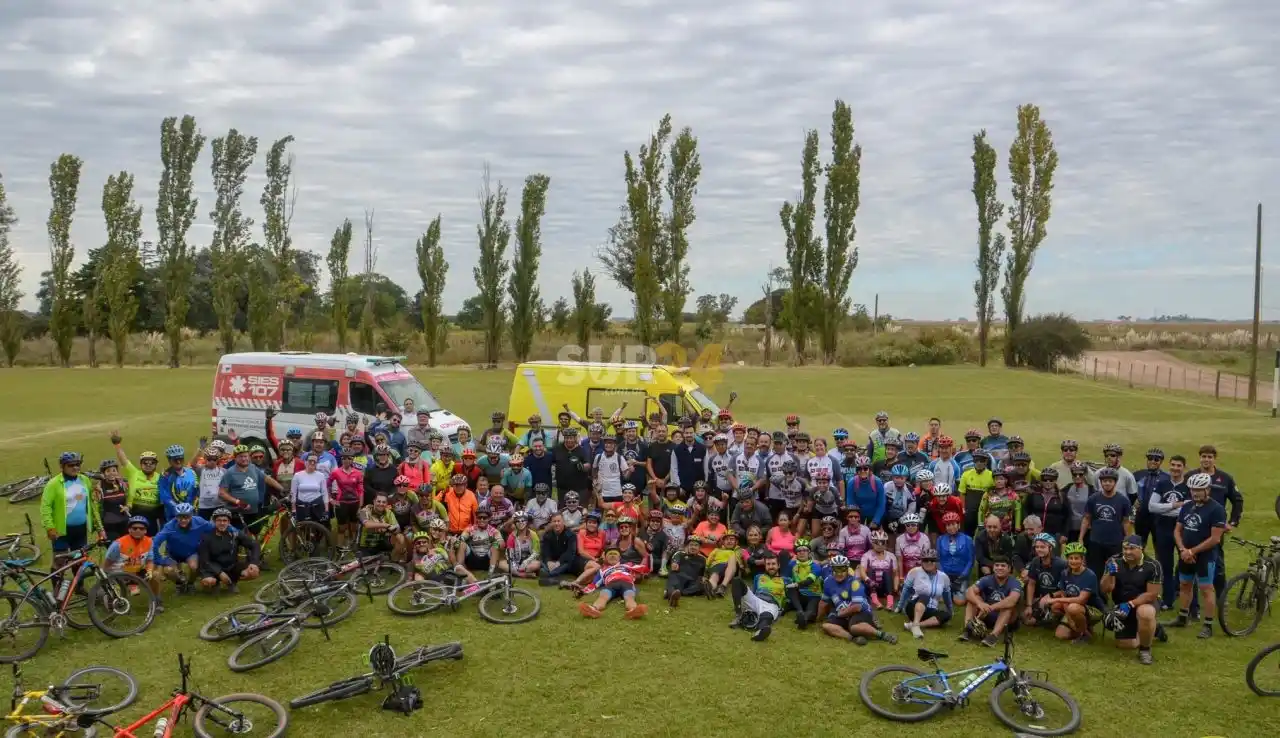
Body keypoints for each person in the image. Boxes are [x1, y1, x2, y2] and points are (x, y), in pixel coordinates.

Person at [1170, 472, 1226, 638]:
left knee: (1206, 589)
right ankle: (1182, 617)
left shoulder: (1217, 509)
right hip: (1185, 554)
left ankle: (1208, 625)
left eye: (1199, 490)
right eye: (1193, 489)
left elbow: (1215, 538)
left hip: (1205, 556)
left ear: (1208, 489)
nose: (1195, 493)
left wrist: (1192, 551)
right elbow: (1177, 530)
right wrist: (1182, 550)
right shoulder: (1187, 506)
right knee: (1185, 585)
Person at [1101, 535, 1162, 664]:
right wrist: (1109, 575)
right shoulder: (1113, 561)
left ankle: (1145, 650)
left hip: (1144, 603)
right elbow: (1105, 589)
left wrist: (1130, 604)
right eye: (1125, 548)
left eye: (1132, 549)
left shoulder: (1153, 565)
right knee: (1125, 645)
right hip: (1121, 605)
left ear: (1142, 549)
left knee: (1145, 613)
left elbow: (1151, 594)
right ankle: (1152, 629)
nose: (1128, 552)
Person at [819, 554, 897, 645]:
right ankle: (853, 638)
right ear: (831, 569)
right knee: (826, 626)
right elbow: (823, 602)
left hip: (859, 612)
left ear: (848, 569)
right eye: (836, 569)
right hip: (842, 613)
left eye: (842, 569)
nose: (839, 573)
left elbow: (857, 607)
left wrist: (840, 614)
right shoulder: (828, 581)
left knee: (854, 628)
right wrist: (817, 618)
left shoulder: (855, 582)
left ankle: (882, 635)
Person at [729, 550, 803, 640]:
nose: (771, 566)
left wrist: (791, 609)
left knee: (766, 616)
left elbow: (792, 597)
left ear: (778, 565)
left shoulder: (786, 580)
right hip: (756, 599)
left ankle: (760, 631)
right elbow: (754, 591)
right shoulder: (758, 577)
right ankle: (738, 615)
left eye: (773, 564)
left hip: (772, 605)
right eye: (768, 564)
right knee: (737, 580)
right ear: (765, 566)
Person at [41, 452, 104, 557]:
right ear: (62, 466)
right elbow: (45, 507)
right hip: (61, 532)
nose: (75, 468)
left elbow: (92, 506)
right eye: (70, 465)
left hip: (80, 530)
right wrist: (49, 527)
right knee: (60, 562)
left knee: (79, 561)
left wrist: (99, 528)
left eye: (77, 464)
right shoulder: (53, 484)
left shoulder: (85, 480)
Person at [1149, 454, 1189, 610]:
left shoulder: (1188, 486)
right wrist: (1175, 505)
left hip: (1183, 529)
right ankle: (1168, 600)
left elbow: (1187, 509)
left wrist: (1165, 508)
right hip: (1163, 528)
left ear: (1184, 468)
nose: (1175, 468)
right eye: (1173, 465)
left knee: (1186, 563)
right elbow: (1152, 507)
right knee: (1165, 565)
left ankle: (1191, 604)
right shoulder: (1162, 484)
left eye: (1179, 465)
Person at [1046, 542, 1104, 644]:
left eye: (1077, 558)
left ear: (1082, 559)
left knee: (1073, 607)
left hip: (1093, 609)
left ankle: (1084, 634)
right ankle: (1082, 628)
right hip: (1072, 608)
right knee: (1060, 632)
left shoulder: (1090, 575)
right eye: (1071, 558)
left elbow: (1081, 600)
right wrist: (1069, 617)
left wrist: (1056, 598)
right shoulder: (1065, 573)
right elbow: (1064, 594)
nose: (1073, 561)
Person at [1080, 467, 1133, 576]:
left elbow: (1126, 522)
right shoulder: (1093, 499)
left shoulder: (1123, 501)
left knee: (1116, 573)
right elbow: (1086, 518)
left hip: (1115, 542)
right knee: (1095, 572)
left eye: (1110, 481)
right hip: (1096, 542)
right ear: (1101, 482)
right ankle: (1096, 593)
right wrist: (1080, 538)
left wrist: (1128, 540)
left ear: (1115, 482)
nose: (1107, 484)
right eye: (1104, 481)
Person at [109, 432, 164, 534]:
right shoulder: (134, 473)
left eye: (152, 463)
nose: (148, 465)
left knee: (150, 542)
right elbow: (124, 460)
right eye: (145, 463)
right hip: (136, 514)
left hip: (153, 516)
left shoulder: (161, 478)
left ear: (156, 464)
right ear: (140, 464)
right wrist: (117, 445)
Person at [960, 556, 1021, 647]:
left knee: (1008, 607)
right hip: (986, 615)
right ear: (993, 568)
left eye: (1003, 566)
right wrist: (979, 603)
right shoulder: (987, 579)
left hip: (1006, 620)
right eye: (997, 565)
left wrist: (991, 607)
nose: (999, 568)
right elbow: (969, 591)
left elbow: (1012, 600)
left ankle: (993, 636)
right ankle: (968, 629)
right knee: (973, 599)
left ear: (1009, 569)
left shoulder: (1014, 582)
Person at [197, 507, 261, 593]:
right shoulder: (206, 537)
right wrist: (219, 573)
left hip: (231, 566)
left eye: (225, 520)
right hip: (212, 568)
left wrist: (254, 562)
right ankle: (215, 584)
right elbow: (204, 561)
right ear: (214, 521)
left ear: (229, 522)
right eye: (219, 520)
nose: (222, 523)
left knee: (253, 572)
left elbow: (255, 545)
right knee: (209, 581)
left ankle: (232, 582)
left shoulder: (235, 534)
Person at [103, 514, 162, 604]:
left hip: (136, 573)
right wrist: (107, 580)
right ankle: (106, 594)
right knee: (115, 605)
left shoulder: (149, 541)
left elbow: (150, 560)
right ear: (129, 530)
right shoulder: (118, 544)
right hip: (119, 575)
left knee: (156, 575)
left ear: (145, 531)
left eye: (141, 528)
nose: (138, 530)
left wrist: (149, 570)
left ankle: (156, 600)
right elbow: (107, 563)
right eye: (134, 528)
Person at [576, 547, 649, 619]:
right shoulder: (602, 570)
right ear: (606, 558)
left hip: (626, 582)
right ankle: (594, 609)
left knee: (629, 597)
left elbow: (644, 568)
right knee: (603, 596)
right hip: (611, 584)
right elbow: (594, 584)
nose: (612, 555)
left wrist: (643, 572)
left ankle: (633, 610)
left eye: (615, 554)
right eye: (610, 554)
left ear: (619, 557)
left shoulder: (628, 565)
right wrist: (583, 591)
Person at [900, 551, 952, 639]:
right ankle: (916, 626)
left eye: (932, 560)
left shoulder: (944, 577)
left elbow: (947, 595)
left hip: (930, 610)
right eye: (925, 560)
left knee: (946, 615)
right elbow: (906, 590)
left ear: (936, 562)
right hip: (914, 607)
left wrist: (950, 609)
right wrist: (899, 606)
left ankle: (915, 625)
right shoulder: (915, 571)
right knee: (925, 596)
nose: (929, 563)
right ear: (921, 561)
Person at [1023, 533, 1067, 627]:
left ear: (1050, 548)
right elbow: (1031, 584)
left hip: (1058, 598)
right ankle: (1045, 618)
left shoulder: (1061, 564)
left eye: (1042, 547)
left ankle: (1058, 618)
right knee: (1027, 620)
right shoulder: (1035, 561)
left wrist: (1050, 596)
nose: (1039, 549)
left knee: (1054, 610)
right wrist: (1029, 606)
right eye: (1037, 547)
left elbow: (1067, 588)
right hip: (1042, 598)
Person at [785, 538, 825, 628]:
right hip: (799, 595)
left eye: (805, 550)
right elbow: (786, 578)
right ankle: (800, 611)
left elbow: (809, 581)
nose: (802, 552)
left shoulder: (816, 566)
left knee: (812, 612)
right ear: (796, 553)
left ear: (809, 552)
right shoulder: (792, 564)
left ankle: (803, 619)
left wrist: (796, 584)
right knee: (790, 588)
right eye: (799, 550)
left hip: (813, 595)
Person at [936, 512, 974, 607]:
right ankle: (948, 589)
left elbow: (971, 560)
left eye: (953, 524)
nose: (951, 527)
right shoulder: (940, 539)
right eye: (948, 525)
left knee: (960, 602)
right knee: (941, 600)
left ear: (958, 525)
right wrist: (943, 574)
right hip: (946, 575)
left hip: (960, 575)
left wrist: (964, 574)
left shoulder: (967, 539)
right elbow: (938, 559)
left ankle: (956, 590)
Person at [157, 445, 197, 525]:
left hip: (191, 513)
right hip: (173, 516)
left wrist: (193, 506)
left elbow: (196, 491)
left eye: (181, 459)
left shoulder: (191, 472)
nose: (178, 462)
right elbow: (165, 496)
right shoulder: (165, 476)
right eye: (175, 460)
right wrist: (179, 509)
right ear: (169, 460)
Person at [860, 529, 899, 610]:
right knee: (871, 571)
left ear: (886, 543)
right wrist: (869, 581)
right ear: (873, 543)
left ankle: (890, 602)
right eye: (877, 542)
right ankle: (875, 601)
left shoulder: (891, 556)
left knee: (886, 573)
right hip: (871, 585)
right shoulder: (866, 555)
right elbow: (862, 571)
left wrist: (895, 588)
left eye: (883, 542)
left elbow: (896, 575)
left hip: (884, 586)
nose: (880, 545)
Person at [93, 458, 131, 541]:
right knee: (114, 551)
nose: (111, 473)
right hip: (109, 526)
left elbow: (129, 500)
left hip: (125, 524)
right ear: (103, 473)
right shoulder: (99, 488)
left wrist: (128, 506)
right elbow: (95, 510)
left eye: (114, 470)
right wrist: (100, 529)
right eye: (108, 471)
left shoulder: (123, 484)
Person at [664, 535, 708, 607]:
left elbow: (703, 574)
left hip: (692, 582)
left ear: (699, 548)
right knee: (674, 578)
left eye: (696, 545)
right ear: (687, 546)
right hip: (680, 577)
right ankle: (672, 594)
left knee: (701, 585)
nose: (693, 547)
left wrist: (704, 579)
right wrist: (675, 564)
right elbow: (674, 563)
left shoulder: (703, 559)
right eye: (691, 545)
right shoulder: (679, 554)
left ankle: (672, 593)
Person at [539, 512, 582, 584]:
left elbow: (570, 552)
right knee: (542, 561)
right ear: (551, 523)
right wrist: (548, 561)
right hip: (552, 561)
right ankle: (550, 573)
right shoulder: (547, 535)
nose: (556, 523)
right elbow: (545, 551)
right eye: (554, 521)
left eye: (559, 521)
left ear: (563, 522)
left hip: (564, 561)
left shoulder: (571, 535)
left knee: (568, 562)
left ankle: (550, 575)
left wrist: (559, 562)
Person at [457, 507, 501, 576]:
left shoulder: (494, 531)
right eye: (479, 517)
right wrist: (461, 538)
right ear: (476, 518)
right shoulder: (470, 529)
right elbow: (462, 537)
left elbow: (502, 544)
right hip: (473, 559)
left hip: (487, 560)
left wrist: (496, 541)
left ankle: (491, 572)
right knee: (462, 544)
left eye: (484, 518)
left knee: (495, 545)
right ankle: (460, 569)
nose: (482, 520)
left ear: (489, 518)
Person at [357, 494, 403, 560]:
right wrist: (385, 525)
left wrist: (389, 530)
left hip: (381, 543)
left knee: (400, 537)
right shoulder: (365, 510)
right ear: (374, 502)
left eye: (384, 502)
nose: (381, 504)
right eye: (378, 501)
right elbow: (367, 524)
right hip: (365, 545)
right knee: (367, 568)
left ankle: (396, 561)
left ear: (387, 503)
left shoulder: (389, 513)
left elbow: (398, 529)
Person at [290, 454, 331, 524]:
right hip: (302, 506)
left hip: (317, 506)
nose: (312, 463)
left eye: (314, 461)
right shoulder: (297, 475)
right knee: (302, 529)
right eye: (310, 461)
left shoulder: (321, 475)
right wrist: (293, 510)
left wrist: (326, 510)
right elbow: (293, 493)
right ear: (305, 462)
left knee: (319, 529)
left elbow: (324, 493)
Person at [500, 512, 541, 578]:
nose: (520, 523)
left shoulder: (533, 535)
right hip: (515, 561)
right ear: (515, 523)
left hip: (529, 562)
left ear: (526, 522)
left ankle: (515, 573)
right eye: (517, 521)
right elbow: (509, 554)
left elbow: (536, 552)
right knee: (501, 564)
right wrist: (514, 565)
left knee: (537, 564)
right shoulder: (512, 536)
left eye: (523, 520)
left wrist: (526, 562)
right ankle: (523, 574)